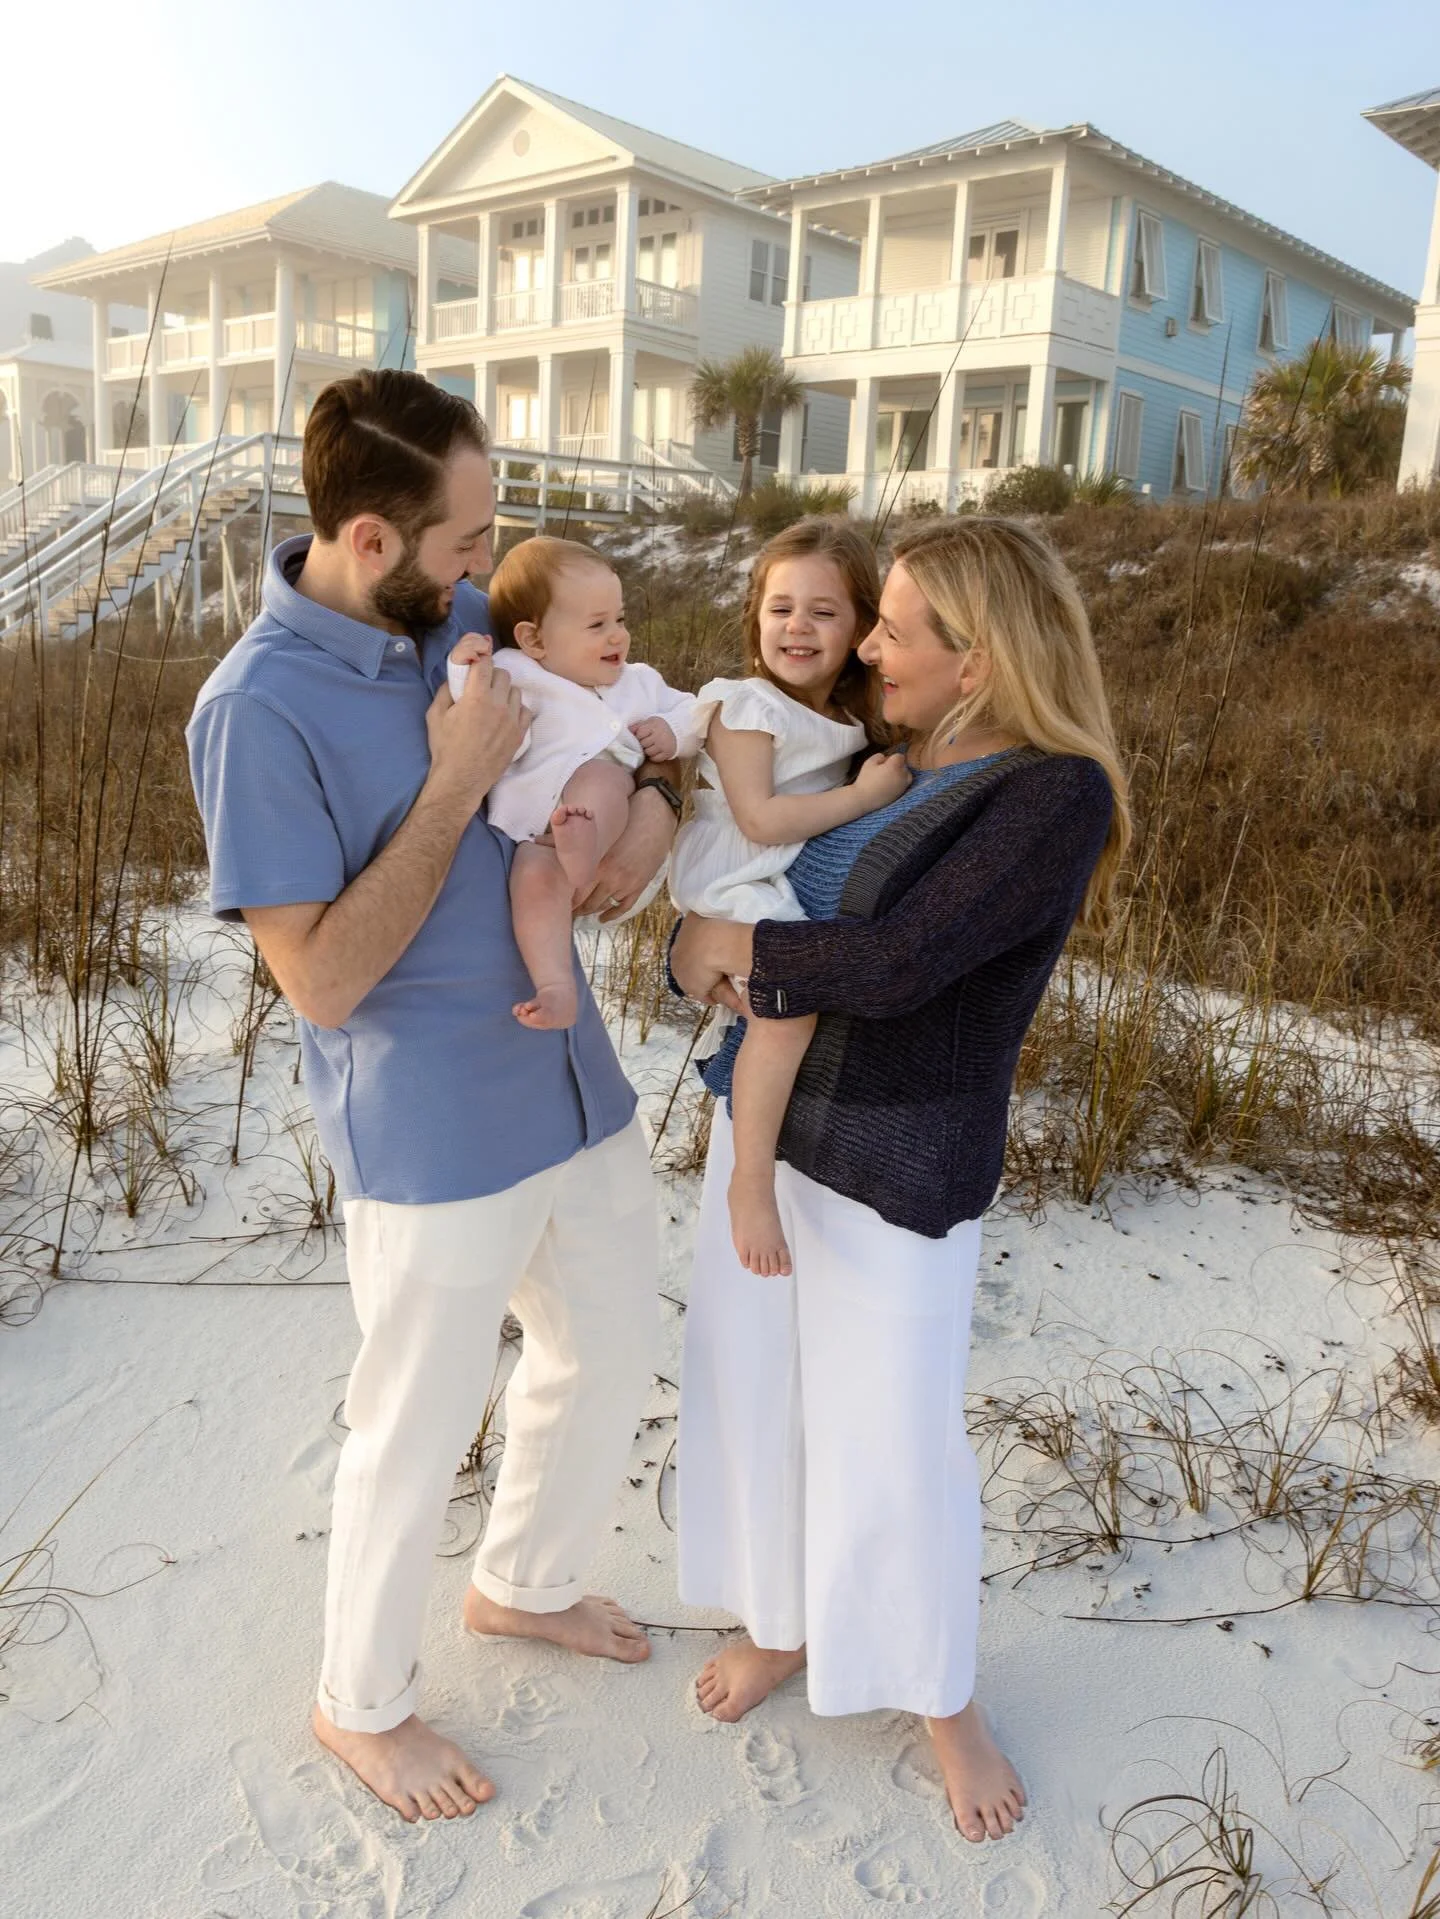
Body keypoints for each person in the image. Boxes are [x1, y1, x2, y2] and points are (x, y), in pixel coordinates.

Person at [186, 369, 681, 1825]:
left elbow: (634, 757)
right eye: (467, 538)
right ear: (368, 537)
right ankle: (363, 1702)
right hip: (434, 1122)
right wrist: (457, 784)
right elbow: (323, 980)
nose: (489, 563)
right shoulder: (253, 709)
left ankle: (522, 1582)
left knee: (603, 1342)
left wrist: (652, 815)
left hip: (572, 1075)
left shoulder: (463, 620)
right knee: (412, 1418)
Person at [670, 515, 1132, 1845]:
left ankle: (943, 1698)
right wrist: (692, 944)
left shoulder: (1050, 793)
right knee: (762, 1399)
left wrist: (722, 940)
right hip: (762, 1138)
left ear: (976, 661)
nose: (865, 640)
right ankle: (786, 1619)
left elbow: (895, 962)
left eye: (895, 627)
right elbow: (757, 889)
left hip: (894, 1163)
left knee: (896, 1439)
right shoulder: (891, 760)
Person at [668, 518, 909, 1276]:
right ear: (755, 617)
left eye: (823, 611)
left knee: (784, 1005)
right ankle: (748, 1179)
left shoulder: (845, 720)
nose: (797, 626)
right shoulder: (748, 705)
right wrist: (863, 798)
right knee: (792, 1003)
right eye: (780, 608)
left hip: (765, 875)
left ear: (861, 629)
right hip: (734, 874)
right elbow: (759, 818)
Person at [448, 537, 706, 1030]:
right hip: (536, 825)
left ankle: (579, 872)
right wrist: (463, 666)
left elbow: (699, 710)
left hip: (592, 828)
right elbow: (472, 702)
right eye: (597, 625)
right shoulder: (516, 671)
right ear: (535, 640)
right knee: (536, 877)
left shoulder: (638, 682)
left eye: (621, 620)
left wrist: (672, 733)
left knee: (599, 785)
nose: (617, 637)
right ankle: (554, 984)